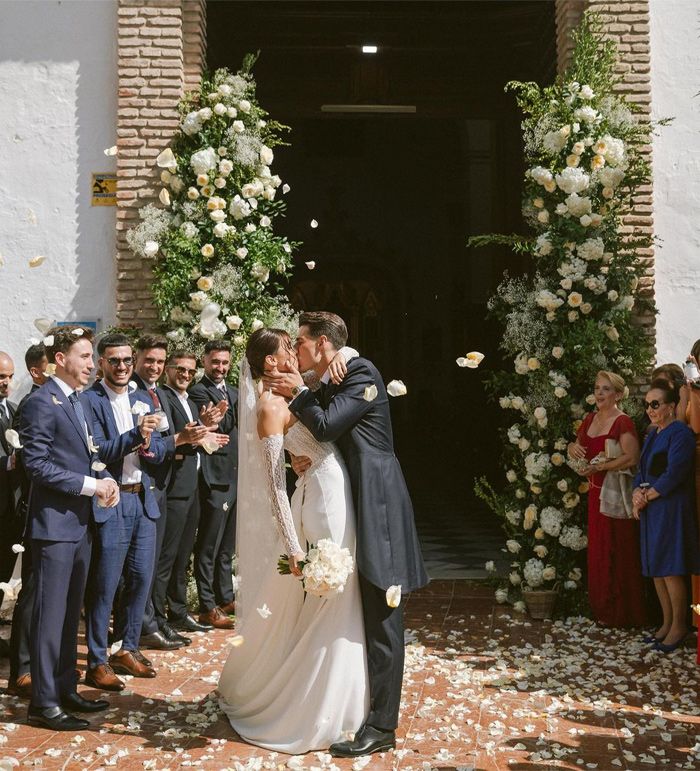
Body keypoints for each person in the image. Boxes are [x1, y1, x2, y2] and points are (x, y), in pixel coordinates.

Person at [265, 311, 429, 757]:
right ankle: (363, 710)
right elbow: (318, 435)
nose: (295, 351)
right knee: (363, 607)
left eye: (300, 342)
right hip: (351, 504)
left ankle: (383, 727)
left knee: (382, 611)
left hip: (377, 504)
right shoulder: (334, 374)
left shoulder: (360, 370)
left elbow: (327, 425)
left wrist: (300, 391)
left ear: (320, 343)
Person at [218, 328, 368, 754]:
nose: (296, 353)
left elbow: (341, 361)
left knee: (343, 593)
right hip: (319, 501)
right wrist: (293, 549)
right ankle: (319, 704)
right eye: (288, 348)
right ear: (270, 362)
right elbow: (273, 487)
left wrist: (348, 350)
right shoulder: (268, 406)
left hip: (336, 491)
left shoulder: (300, 390)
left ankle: (345, 696)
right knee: (331, 597)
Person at [19, 325, 119, 730]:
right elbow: (37, 464)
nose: (92, 365)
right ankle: (43, 703)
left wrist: (104, 481)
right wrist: (91, 485)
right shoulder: (41, 402)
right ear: (60, 359)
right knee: (49, 616)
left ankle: (64, 688)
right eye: (84, 357)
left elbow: (85, 456)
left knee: (67, 617)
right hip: (53, 528)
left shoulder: (76, 401)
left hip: (79, 525)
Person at [83, 334, 165, 692]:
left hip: (142, 500)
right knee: (105, 583)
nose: (121, 367)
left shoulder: (142, 397)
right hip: (111, 501)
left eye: (127, 361)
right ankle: (97, 660)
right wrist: (136, 434)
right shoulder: (89, 400)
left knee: (141, 580)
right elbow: (98, 452)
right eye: (114, 360)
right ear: (102, 362)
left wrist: (149, 448)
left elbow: (160, 446)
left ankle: (127, 648)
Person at [131, 335, 210, 651]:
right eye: (149, 360)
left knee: (165, 560)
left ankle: (155, 621)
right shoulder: (140, 393)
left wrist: (197, 432)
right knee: (150, 565)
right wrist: (179, 441)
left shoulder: (155, 395)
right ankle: (146, 624)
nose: (154, 366)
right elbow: (153, 445)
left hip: (160, 486)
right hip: (144, 487)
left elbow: (164, 441)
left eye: (158, 361)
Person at [155, 350, 227, 636]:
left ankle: (179, 611)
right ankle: (158, 619)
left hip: (192, 485)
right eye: (180, 369)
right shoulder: (163, 397)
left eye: (190, 371)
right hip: (173, 488)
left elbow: (192, 437)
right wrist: (201, 429)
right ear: (168, 370)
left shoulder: (185, 400)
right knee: (166, 558)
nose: (185, 375)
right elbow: (171, 439)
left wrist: (206, 428)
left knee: (183, 556)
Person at [567, 371, 646, 627]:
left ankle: (624, 613)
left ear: (618, 395)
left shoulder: (622, 422)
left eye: (606, 389)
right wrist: (571, 448)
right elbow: (578, 447)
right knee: (600, 549)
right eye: (597, 388)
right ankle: (603, 611)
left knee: (618, 548)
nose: (599, 393)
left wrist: (600, 468)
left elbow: (632, 458)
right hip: (593, 492)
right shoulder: (589, 418)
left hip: (613, 493)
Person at [632, 379, 700, 652]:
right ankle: (665, 623)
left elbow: (675, 472)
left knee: (670, 568)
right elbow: (641, 469)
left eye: (655, 404)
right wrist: (637, 491)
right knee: (656, 569)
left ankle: (679, 627)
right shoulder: (653, 434)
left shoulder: (680, 433)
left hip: (670, 508)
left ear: (671, 406)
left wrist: (648, 495)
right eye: (647, 404)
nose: (650, 409)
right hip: (652, 508)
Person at [189, 339, 239, 629]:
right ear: (205, 361)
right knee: (208, 543)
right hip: (214, 475)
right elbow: (222, 424)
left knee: (226, 545)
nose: (219, 367)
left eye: (224, 362)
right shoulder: (198, 391)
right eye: (215, 362)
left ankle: (225, 597)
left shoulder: (233, 391)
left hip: (233, 473)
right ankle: (207, 605)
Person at [8, 343, 49, 698]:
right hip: (33, 507)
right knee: (32, 590)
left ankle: (39, 662)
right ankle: (20, 667)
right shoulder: (32, 405)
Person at [0, 351, 20, 593]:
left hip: (11, 508)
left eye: (10, 376)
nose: (6, 382)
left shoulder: (14, 409)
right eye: (1, 376)